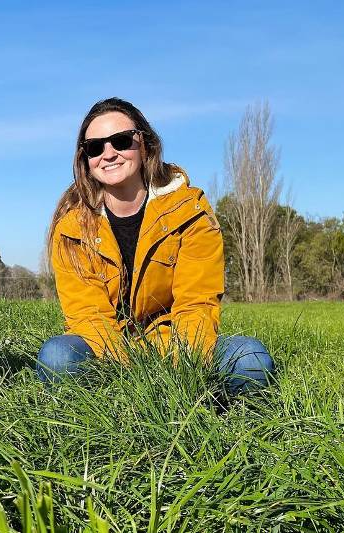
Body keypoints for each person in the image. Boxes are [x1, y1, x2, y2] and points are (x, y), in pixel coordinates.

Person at [37, 97, 273, 393]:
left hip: (176, 345)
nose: (108, 154)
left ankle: (204, 405)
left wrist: (180, 372)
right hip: (106, 350)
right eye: (95, 147)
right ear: (85, 158)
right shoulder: (71, 228)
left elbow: (196, 303)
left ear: (145, 144)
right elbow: (88, 316)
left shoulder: (190, 211)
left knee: (251, 360)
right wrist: (133, 375)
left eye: (121, 141)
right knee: (57, 357)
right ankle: (106, 409)